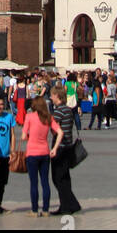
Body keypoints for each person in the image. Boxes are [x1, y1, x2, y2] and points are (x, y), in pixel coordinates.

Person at [22, 95, 64, 217]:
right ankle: (45, 210)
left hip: (32, 153)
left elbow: (24, 136)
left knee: (33, 183)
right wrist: (55, 148)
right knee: (45, 182)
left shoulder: (29, 117)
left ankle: (34, 210)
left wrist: (31, 138)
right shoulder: (49, 118)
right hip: (45, 152)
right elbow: (60, 132)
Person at [49, 84, 81, 216]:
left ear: (57, 96)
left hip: (60, 147)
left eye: (52, 95)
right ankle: (71, 204)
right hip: (68, 146)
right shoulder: (68, 109)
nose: (51, 98)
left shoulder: (58, 111)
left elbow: (54, 129)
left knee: (58, 178)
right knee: (65, 178)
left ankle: (67, 206)